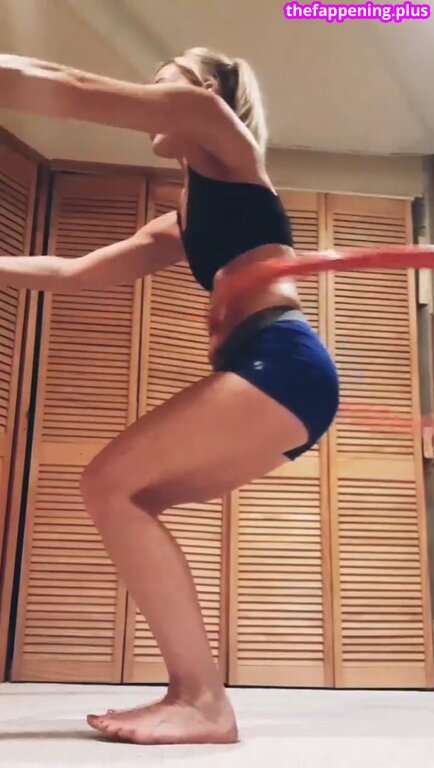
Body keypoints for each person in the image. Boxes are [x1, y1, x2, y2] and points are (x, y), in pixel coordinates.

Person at [0, 48, 339, 745]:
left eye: (161, 73)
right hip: (277, 373)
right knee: (122, 494)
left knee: (108, 483)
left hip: (281, 360)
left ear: (203, 85)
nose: (149, 87)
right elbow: (74, 273)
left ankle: (203, 701)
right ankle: (195, 696)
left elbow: (67, 84)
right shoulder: (185, 220)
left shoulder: (210, 121)